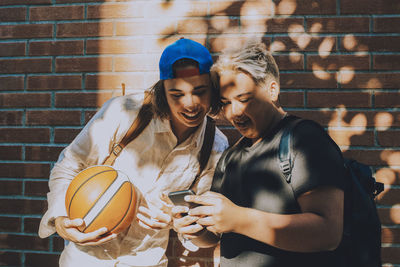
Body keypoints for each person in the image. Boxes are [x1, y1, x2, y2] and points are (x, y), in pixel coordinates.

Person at [38, 38, 229, 267]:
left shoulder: (215, 145)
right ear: (163, 90)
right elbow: (68, 166)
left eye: (200, 91)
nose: (190, 103)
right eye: (177, 94)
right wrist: (60, 220)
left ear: (213, 89)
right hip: (84, 260)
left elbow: (204, 233)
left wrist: (176, 221)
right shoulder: (124, 112)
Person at [174, 41, 346, 266]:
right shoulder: (231, 156)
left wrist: (238, 219)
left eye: (244, 99)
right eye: (226, 103)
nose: (234, 112)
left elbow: (328, 233)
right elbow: (217, 234)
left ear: (272, 90)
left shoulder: (304, 139)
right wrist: (195, 228)